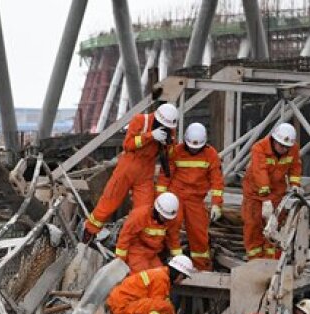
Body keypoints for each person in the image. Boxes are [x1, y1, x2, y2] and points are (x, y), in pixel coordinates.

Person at [84, 103, 180, 239]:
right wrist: (150, 136)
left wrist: (168, 145)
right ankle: (90, 231)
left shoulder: (170, 130)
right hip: (128, 165)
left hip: (146, 170)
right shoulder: (140, 120)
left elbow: (170, 156)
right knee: (110, 200)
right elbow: (128, 145)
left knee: (144, 208)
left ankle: (137, 241)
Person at [155, 122, 224, 271]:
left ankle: (202, 268)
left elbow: (217, 181)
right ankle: (175, 263)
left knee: (199, 234)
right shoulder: (176, 151)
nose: (193, 149)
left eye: (197, 147)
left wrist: (217, 204)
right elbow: (165, 176)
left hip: (196, 200)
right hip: (176, 196)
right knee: (172, 228)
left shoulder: (211, 155)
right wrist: (161, 198)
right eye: (191, 146)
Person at [241, 122, 302, 260]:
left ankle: (273, 261)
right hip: (254, 194)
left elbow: (295, 167)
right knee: (253, 226)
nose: (284, 149)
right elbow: (259, 172)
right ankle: (255, 261)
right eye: (281, 145)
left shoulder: (293, 149)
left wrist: (294, 183)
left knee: (274, 228)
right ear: (274, 140)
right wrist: (265, 199)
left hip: (276, 194)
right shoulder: (259, 148)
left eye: (287, 147)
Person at [106, 256, 196, 314]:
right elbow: (160, 307)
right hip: (122, 307)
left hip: (120, 304)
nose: (181, 281)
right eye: (183, 277)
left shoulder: (160, 274)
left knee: (165, 306)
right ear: (179, 274)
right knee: (165, 307)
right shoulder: (161, 278)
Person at [113, 192, 183, 273]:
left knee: (160, 275)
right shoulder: (140, 215)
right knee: (141, 277)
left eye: (168, 218)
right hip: (136, 251)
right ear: (157, 211)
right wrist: (119, 262)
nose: (166, 220)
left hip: (153, 253)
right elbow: (124, 238)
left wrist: (179, 259)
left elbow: (173, 239)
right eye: (164, 217)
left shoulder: (171, 219)